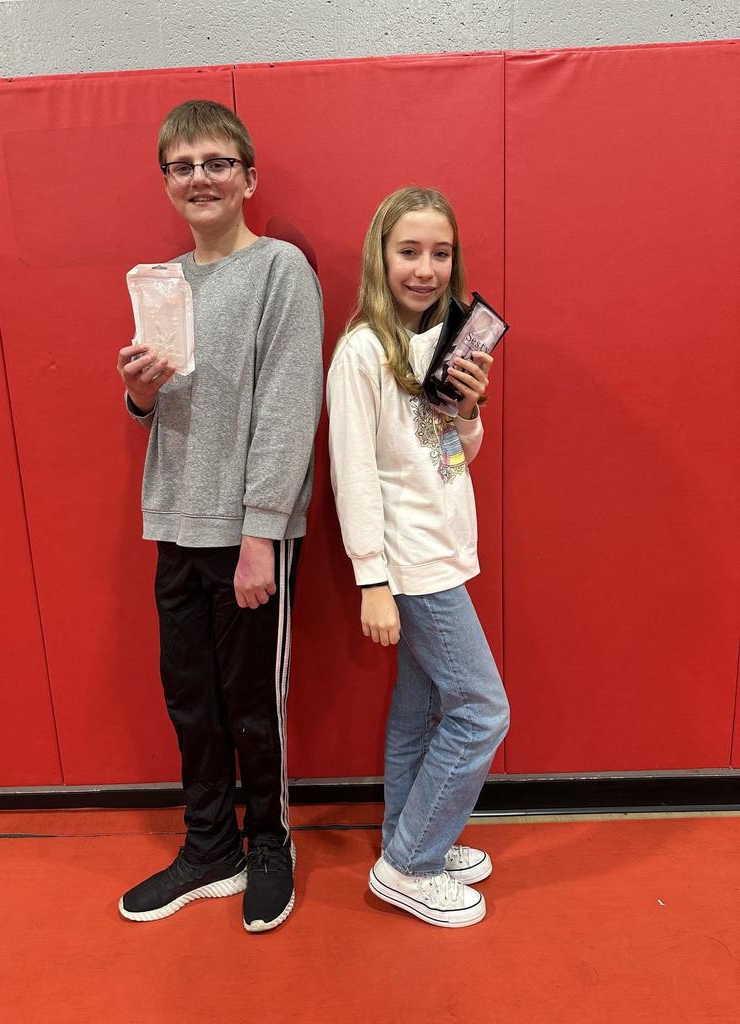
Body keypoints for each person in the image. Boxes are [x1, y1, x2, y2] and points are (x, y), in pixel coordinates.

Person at [116, 99, 323, 933]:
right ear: (166, 183)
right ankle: (211, 849)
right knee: (190, 700)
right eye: (182, 166)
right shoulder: (162, 281)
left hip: (247, 537)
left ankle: (269, 845)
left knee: (250, 704)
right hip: (174, 520)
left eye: (216, 162)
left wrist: (260, 533)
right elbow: (161, 407)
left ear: (248, 177)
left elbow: (285, 405)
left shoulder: (280, 270)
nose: (199, 177)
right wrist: (137, 397)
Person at [327, 186, 510, 928]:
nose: (426, 268)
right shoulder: (362, 352)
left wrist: (468, 412)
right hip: (409, 562)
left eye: (440, 253)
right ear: (382, 255)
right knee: (481, 710)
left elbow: (454, 454)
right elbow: (352, 472)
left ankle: (406, 838)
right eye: (409, 251)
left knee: (424, 704)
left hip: (444, 550)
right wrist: (371, 576)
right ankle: (411, 863)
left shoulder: (444, 342)